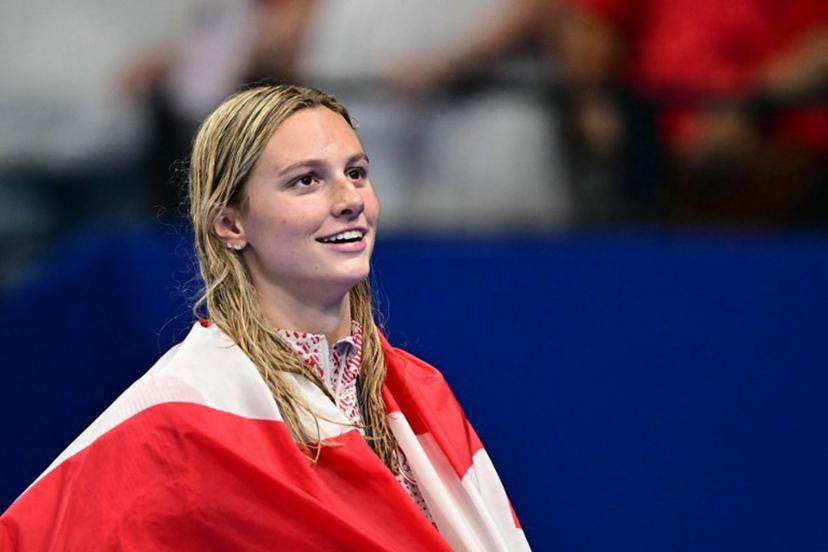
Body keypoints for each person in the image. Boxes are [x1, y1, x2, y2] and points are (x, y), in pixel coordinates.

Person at [0, 85, 530, 551]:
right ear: (230, 224)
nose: (349, 200)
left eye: (357, 173)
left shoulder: (420, 392)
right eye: (306, 181)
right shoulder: (185, 412)